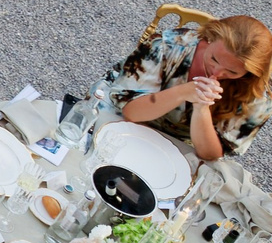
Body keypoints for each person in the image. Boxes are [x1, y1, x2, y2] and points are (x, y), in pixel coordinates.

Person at [113, 12, 272, 162]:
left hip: (182, 140)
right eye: (214, 59)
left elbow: (210, 155)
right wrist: (182, 92)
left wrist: (201, 109)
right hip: (123, 113)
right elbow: (131, 112)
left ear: (251, 74)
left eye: (232, 71)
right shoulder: (167, 45)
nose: (217, 72)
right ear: (210, 38)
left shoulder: (259, 97)